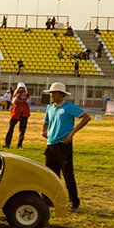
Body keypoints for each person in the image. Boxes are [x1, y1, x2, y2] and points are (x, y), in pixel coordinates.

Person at [41, 82, 90, 211]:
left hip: (63, 146)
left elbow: (86, 117)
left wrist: (72, 133)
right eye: (51, 92)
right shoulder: (50, 107)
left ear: (61, 94)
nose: (51, 95)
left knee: (68, 174)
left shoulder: (69, 107)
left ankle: (74, 202)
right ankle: (49, 199)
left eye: (54, 92)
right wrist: (44, 131)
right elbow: (46, 122)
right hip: (50, 145)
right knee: (51, 175)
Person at [4, 84, 31, 148]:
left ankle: (19, 144)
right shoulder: (15, 95)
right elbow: (14, 102)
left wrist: (25, 98)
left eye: (23, 89)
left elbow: (28, 103)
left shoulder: (28, 95)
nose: (21, 90)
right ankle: (7, 143)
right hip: (15, 113)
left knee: (22, 130)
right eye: (20, 89)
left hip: (24, 114)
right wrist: (17, 96)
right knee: (10, 129)